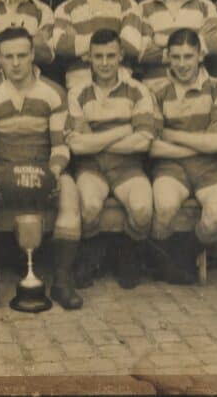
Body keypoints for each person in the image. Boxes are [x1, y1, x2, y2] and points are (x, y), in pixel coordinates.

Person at [0, 27, 83, 310]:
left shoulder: (53, 93)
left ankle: (62, 280)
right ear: (0, 59)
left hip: (42, 171)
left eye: (22, 55)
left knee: (69, 189)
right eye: (8, 57)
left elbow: (60, 147)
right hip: (2, 172)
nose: (16, 63)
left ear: (33, 55)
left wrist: (55, 170)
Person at [65, 29, 157, 289]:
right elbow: (77, 146)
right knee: (89, 205)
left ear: (121, 56)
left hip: (128, 167)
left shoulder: (137, 91)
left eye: (110, 56)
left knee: (142, 209)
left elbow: (144, 140)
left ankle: (127, 254)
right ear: (88, 58)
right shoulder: (77, 92)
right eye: (98, 57)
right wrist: (123, 130)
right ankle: (92, 253)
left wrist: (97, 140)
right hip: (91, 167)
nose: (104, 63)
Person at [146, 29, 217, 285]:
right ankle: (166, 261)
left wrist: (171, 134)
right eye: (176, 57)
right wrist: (201, 143)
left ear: (200, 55)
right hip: (171, 166)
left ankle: (186, 254)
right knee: (164, 208)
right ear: (167, 57)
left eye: (188, 56)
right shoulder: (156, 91)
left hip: (211, 169)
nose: (182, 64)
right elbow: (152, 148)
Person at [51, 0, 142, 91]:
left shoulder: (127, 4)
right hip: (78, 86)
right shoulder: (65, 8)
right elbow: (60, 46)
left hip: (121, 85)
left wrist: (79, 43)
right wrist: (112, 38)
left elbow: (131, 46)